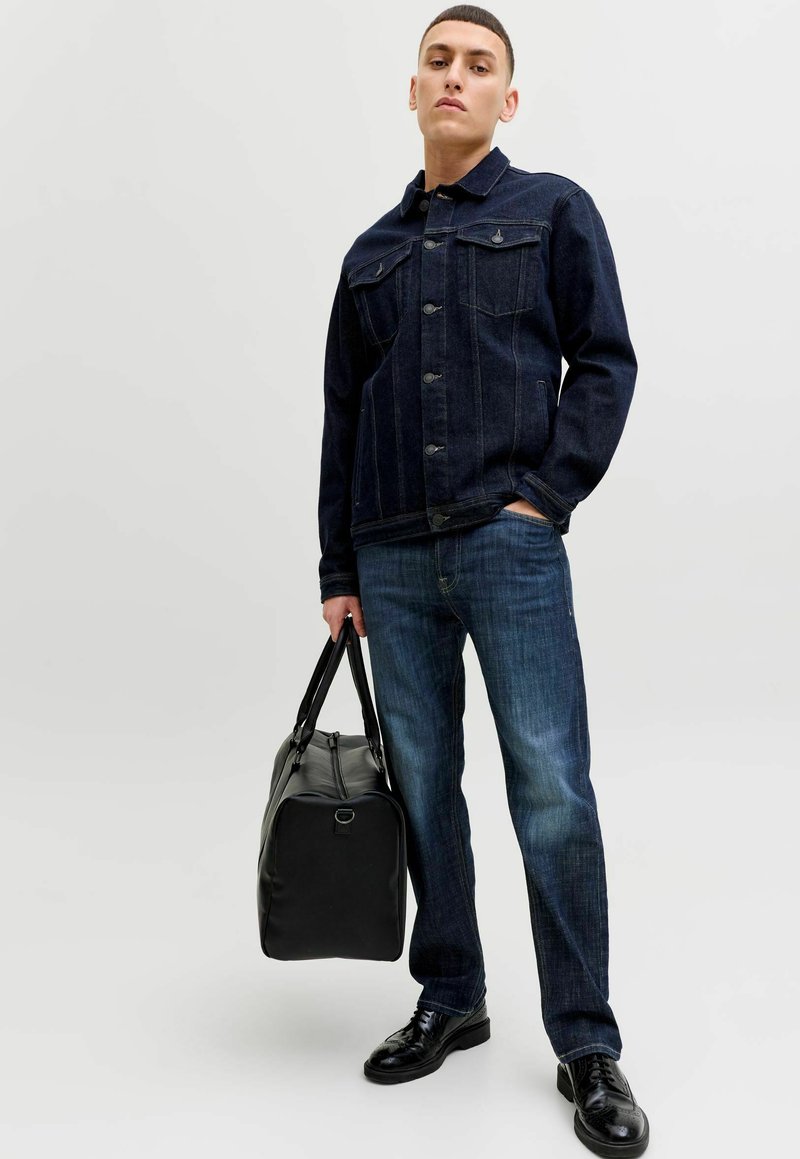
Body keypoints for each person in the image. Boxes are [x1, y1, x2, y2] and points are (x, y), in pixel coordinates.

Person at [316, 6, 648, 1155]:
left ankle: (584, 1041)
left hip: (508, 544)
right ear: (412, 90)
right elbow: (343, 415)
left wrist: (543, 495)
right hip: (390, 553)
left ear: (506, 99)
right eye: (437, 62)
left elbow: (602, 360)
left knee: (549, 786)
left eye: (478, 65)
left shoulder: (551, 210)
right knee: (422, 784)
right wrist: (338, 565)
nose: (453, 77)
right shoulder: (368, 254)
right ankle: (451, 994)